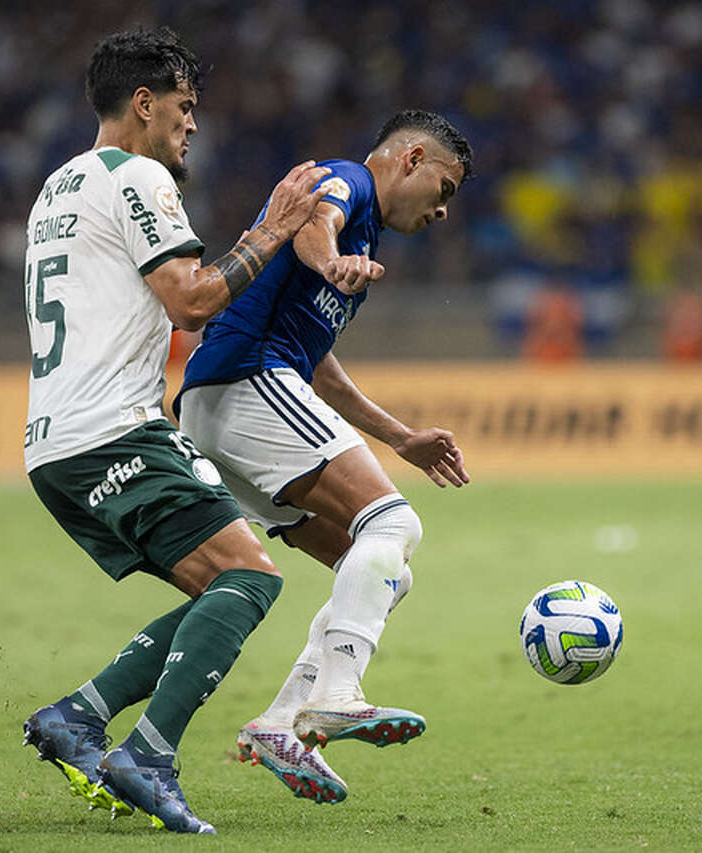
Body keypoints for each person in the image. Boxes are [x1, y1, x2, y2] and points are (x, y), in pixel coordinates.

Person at [18, 27, 332, 834]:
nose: (193, 126)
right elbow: (190, 300)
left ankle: (77, 717)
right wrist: (274, 229)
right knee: (252, 579)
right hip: (112, 432)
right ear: (144, 104)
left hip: (54, 444)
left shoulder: (55, 189)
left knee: (214, 590)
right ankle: (147, 753)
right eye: (185, 108)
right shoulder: (139, 178)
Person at [174, 110, 473, 804]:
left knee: (381, 573)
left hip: (231, 401)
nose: (442, 211)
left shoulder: (360, 235)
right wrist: (331, 258)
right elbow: (313, 219)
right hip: (245, 377)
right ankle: (339, 691)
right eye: (445, 188)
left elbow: (317, 362)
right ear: (413, 157)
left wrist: (399, 436)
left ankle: (280, 723)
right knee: (396, 525)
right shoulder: (349, 185)